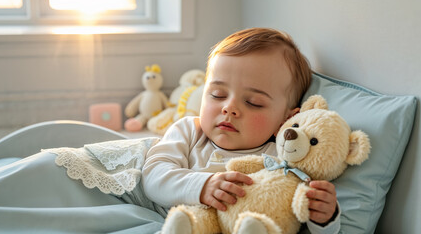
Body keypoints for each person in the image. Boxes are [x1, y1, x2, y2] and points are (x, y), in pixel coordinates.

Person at [142, 27, 340, 233]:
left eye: (253, 102)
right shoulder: (190, 130)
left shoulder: (283, 157)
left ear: (286, 120)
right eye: (217, 94)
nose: (229, 108)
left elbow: (299, 213)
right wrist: (202, 185)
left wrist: (325, 218)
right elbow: (153, 176)